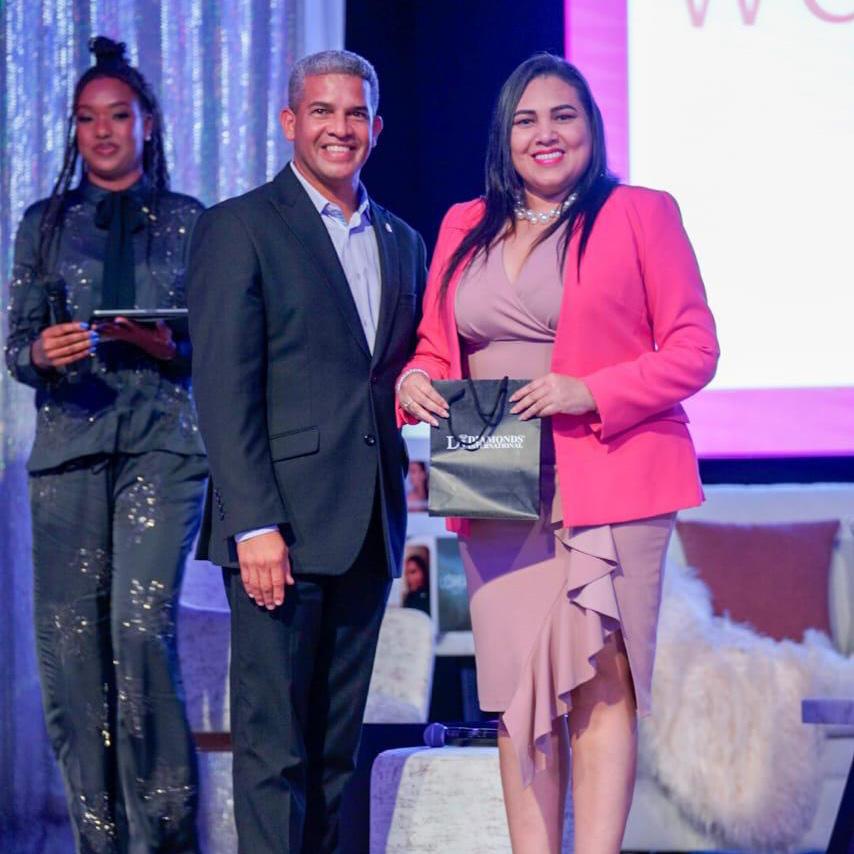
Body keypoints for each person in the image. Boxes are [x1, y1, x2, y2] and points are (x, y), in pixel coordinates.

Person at [396, 53, 719, 853]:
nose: (545, 134)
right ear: (504, 137)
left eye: (563, 115)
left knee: (600, 684)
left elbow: (695, 349)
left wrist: (590, 391)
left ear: (591, 127)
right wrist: (414, 378)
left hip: (608, 478)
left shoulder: (641, 213)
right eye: (526, 120)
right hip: (493, 473)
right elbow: (436, 345)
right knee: (517, 693)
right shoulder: (464, 224)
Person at [187, 49, 426, 852]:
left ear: (377, 128)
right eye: (322, 111)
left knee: (331, 756)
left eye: (355, 113)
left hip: (367, 527)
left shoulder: (403, 240)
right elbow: (224, 389)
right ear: (291, 121)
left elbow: (394, 373)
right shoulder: (240, 227)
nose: (340, 128)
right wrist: (253, 523)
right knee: (273, 750)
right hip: (278, 532)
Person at [4, 37, 206, 853]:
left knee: (139, 628)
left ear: (146, 123)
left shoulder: (193, 222)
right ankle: (99, 840)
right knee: (71, 654)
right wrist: (39, 351)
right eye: (87, 119)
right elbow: (17, 345)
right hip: (69, 449)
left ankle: (167, 838)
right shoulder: (44, 224)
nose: (102, 132)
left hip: (164, 446)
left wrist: (169, 346)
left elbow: (218, 343)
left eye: (117, 116)